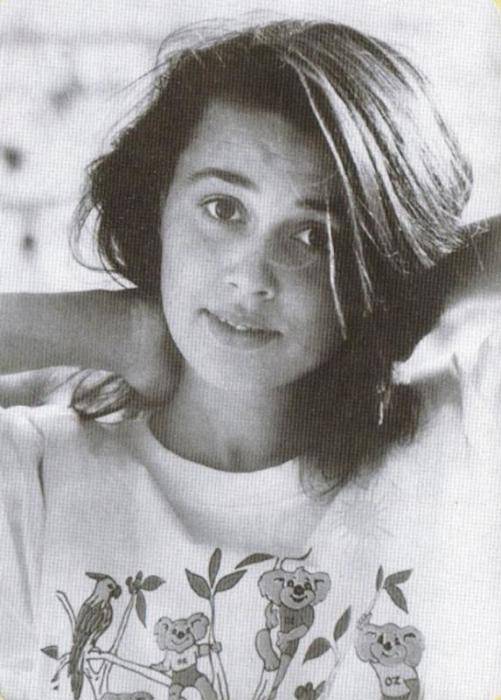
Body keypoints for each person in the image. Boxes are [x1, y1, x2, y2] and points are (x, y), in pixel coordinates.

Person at [1, 19, 500, 700]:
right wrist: (114, 332)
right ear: (158, 208)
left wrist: (418, 296)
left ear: (373, 260)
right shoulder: (35, 483)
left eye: (313, 236)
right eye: (222, 208)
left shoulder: (461, 442)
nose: (251, 277)